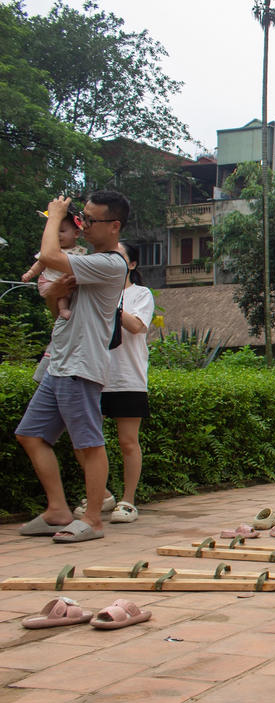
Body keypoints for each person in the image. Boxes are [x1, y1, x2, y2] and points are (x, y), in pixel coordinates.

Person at [15, 192, 130, 543]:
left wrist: (55, 215)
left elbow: (49, 255)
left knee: (89, 444)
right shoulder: (86, 261)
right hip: (59, 361)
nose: (82, 224)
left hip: (80, 365)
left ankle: (93, 519)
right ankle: (57, 510)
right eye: (81, 216)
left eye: (90, 220)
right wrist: (54, 294)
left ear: (114, 226)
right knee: (30, 435)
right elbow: (58, 311)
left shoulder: (110, 263)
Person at [87, 242, 155, 523]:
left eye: (118, 258)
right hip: (93, 376)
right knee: (87, 441)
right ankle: (100, 495)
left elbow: (137, 326)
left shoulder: (141, 294)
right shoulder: (92, 293)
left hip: (127, 377)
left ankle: (128, 500)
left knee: (128, 443)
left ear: (132, 264)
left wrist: (112, 301)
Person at [23, 211, 86, 320]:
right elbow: (40, 263)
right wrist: (30, 273)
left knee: (68, 290)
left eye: (61, 231)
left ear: (76, 234)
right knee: (62, 293)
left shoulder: (79, 251)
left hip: (68, 283)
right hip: (48, 281)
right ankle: (63, 309)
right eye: (55, 231)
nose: (57, 234)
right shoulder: (51, 250)